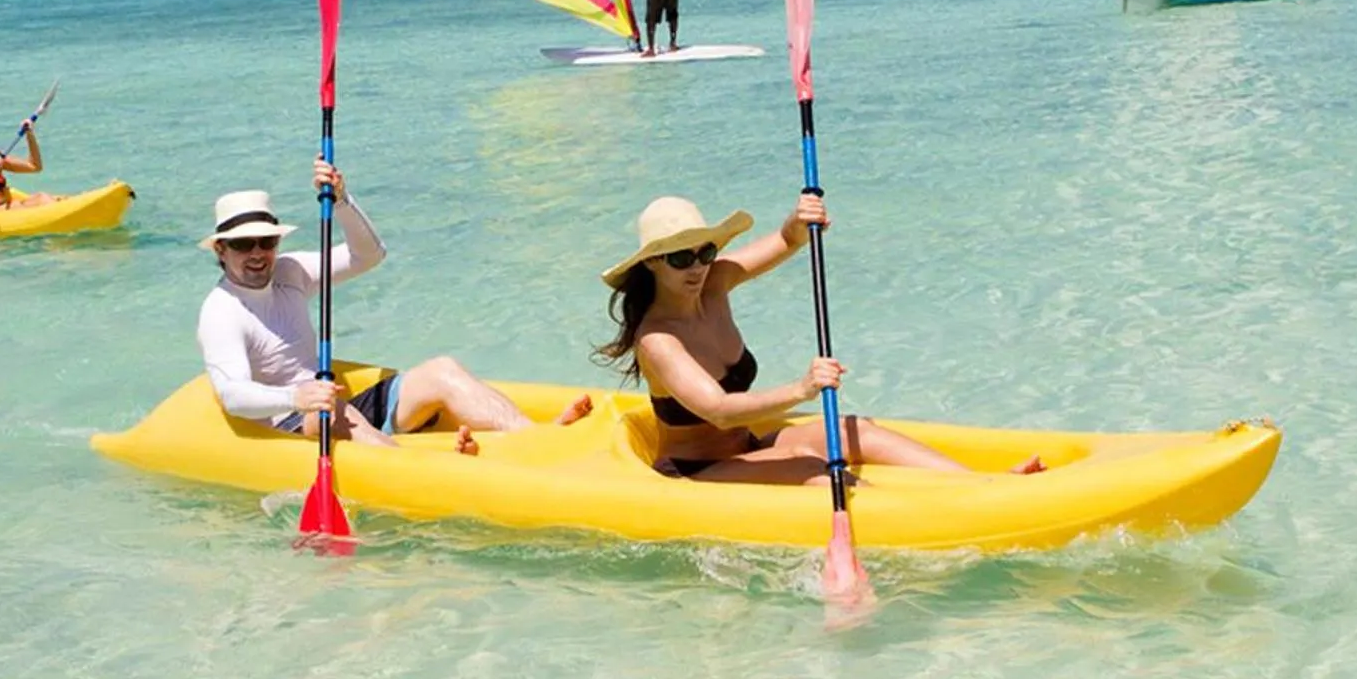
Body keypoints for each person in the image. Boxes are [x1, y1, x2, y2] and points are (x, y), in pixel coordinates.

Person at [595, 195, 1043, 482]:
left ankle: (986, 486)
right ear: (653, 263)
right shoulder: (658, 340)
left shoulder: (714, 283)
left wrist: (799, 219)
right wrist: (802, 389)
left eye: (705, 252)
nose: (696, 267)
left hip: (747, 446)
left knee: (853, 431)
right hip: (698, 471)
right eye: (680, 258)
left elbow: (787, 242)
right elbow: (720, 411)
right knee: (818, 470)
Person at [198, 167, 591, 449]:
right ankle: (413, 466)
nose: (257, 254)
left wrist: (343, 202)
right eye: (242, 244)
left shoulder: (291, 271)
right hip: (292, 422)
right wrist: (295, 399)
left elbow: (368, 255)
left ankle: (539, 442)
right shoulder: (222, 312)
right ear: (221, 249)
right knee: (330, 412)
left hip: (334, 406)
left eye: (266, 242)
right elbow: (233, 394)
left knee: (441, 370)